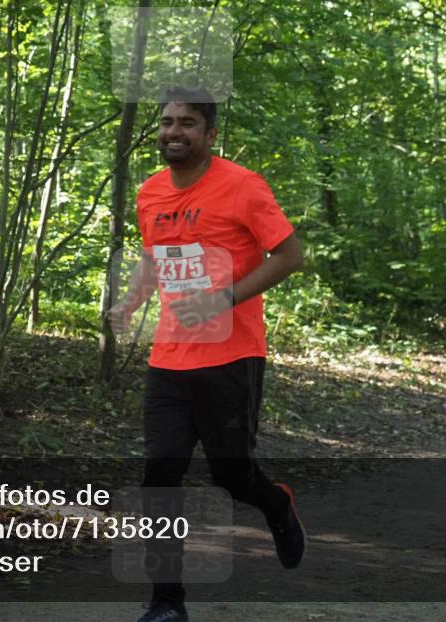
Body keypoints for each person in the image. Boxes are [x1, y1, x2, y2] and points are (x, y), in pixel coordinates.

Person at [107, 86, 306, 622]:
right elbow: (154, 257)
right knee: (159, 476)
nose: (174, 132)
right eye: (167, 122)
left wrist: (223, 297)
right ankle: (167, 602)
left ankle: (277, 504)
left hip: (231, 355)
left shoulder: (243, 187)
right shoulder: (150, 192)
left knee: (230, 476)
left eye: (187, 123)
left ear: (210, 134)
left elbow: (290, 255)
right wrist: (130, 302)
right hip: (169, 358)